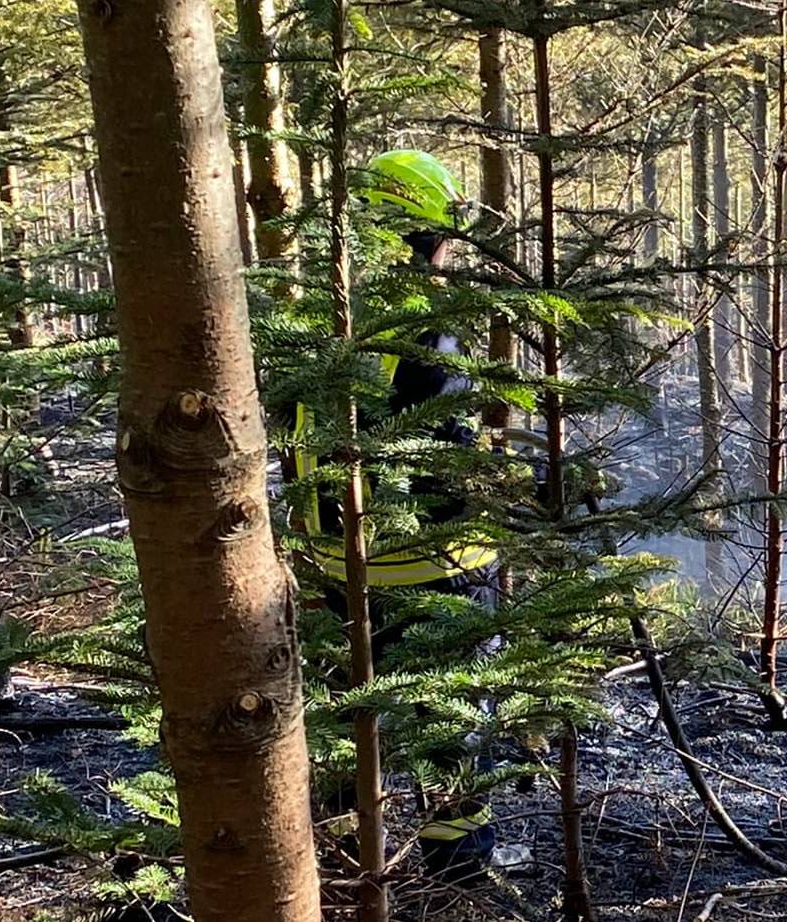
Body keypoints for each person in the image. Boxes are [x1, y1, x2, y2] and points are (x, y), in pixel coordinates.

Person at [296, 149, 501, 881]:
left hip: (334, 560)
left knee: (353, 714)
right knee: (455, 718)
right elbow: (448, 452)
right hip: (435, 563)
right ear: (427, 229)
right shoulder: (422, 322)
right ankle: (458, 871)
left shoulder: (318, 310)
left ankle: (352, 856)